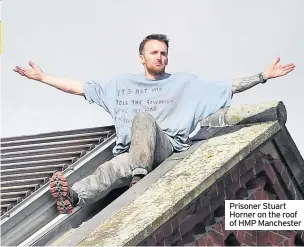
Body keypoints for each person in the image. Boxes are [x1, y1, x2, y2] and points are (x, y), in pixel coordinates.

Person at [13, 34, 295, 214]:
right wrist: (43, 78)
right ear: (142, 58)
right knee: (110, 169)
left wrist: (262, 76)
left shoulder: (184, 82)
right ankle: (73, 198)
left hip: (165, 147)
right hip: (133, 155)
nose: (159, 57)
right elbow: (79, 88)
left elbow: (225, 88)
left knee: (144, 119)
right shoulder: (121, 85)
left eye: (163, 53)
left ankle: (139, 175)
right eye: (154, 53)